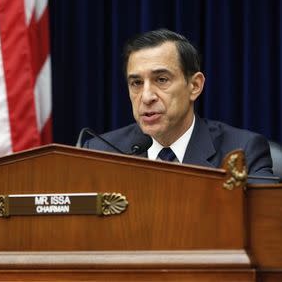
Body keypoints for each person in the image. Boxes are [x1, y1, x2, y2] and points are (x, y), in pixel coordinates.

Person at [84, 28, 274, 179]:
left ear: (195, 86)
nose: (147, 96)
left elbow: (263, 223)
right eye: (137, 83)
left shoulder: (242, 152)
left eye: (161, 80)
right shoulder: (100, 154)